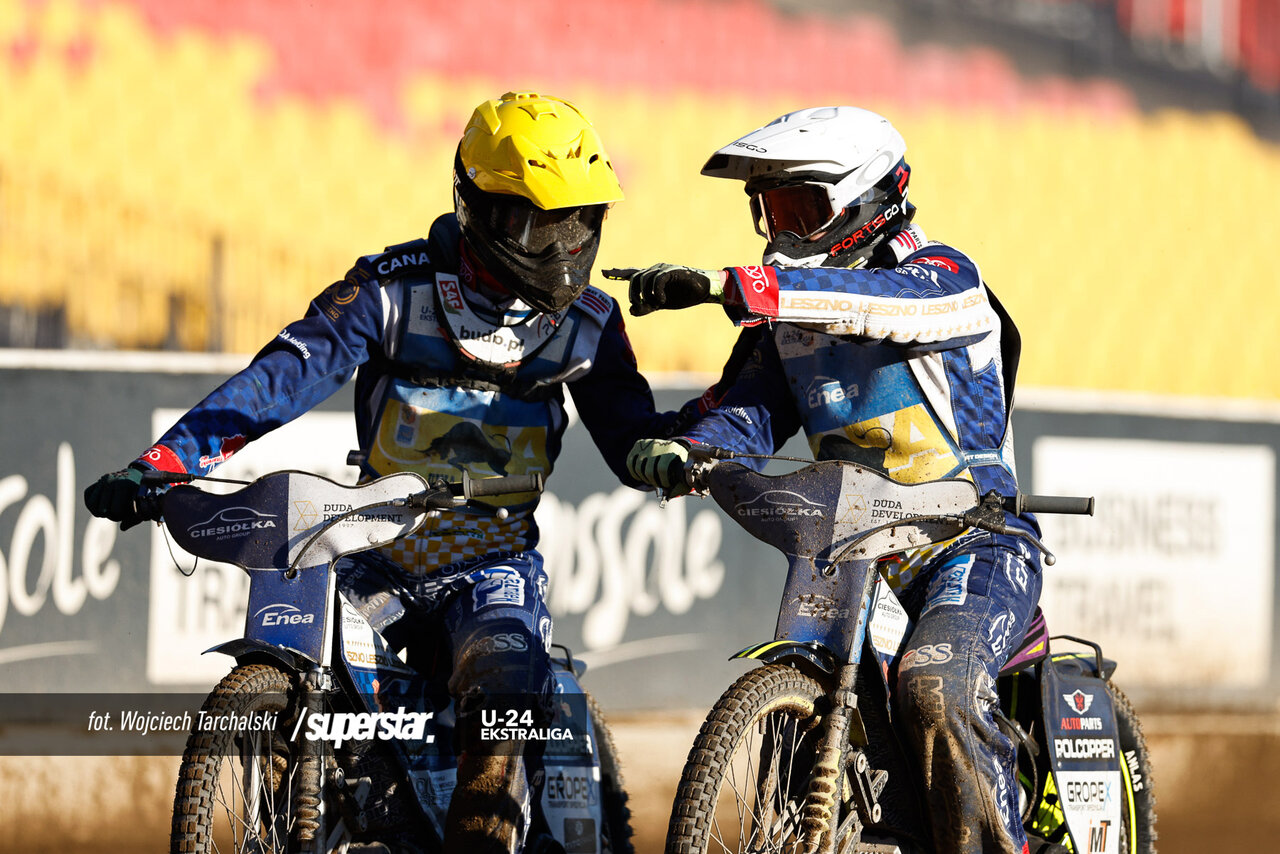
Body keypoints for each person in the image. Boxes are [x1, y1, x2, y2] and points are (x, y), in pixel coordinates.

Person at [85, 91, 670, 854]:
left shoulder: (591, 322)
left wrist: (673, 455)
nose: (567, 246)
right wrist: (163, 463)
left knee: (499, 704)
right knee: (320, 686)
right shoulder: (390, 290)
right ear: (483, 210)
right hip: (373, 555)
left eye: (580, 222)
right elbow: (280, 379)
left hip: (492, 567)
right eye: (544, 223)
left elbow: (633, 438)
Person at [608, 106, 1046, 854]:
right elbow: (744, 413)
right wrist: (688, 451)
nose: (781, 230)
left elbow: (875, 306)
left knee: (934, 689)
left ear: (869, 200)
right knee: (818, 708)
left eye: (801, 209)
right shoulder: (785, 321)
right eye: (770, 209)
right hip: (850, 553)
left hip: (971, 542)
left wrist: (732, 286)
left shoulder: (945, 277)